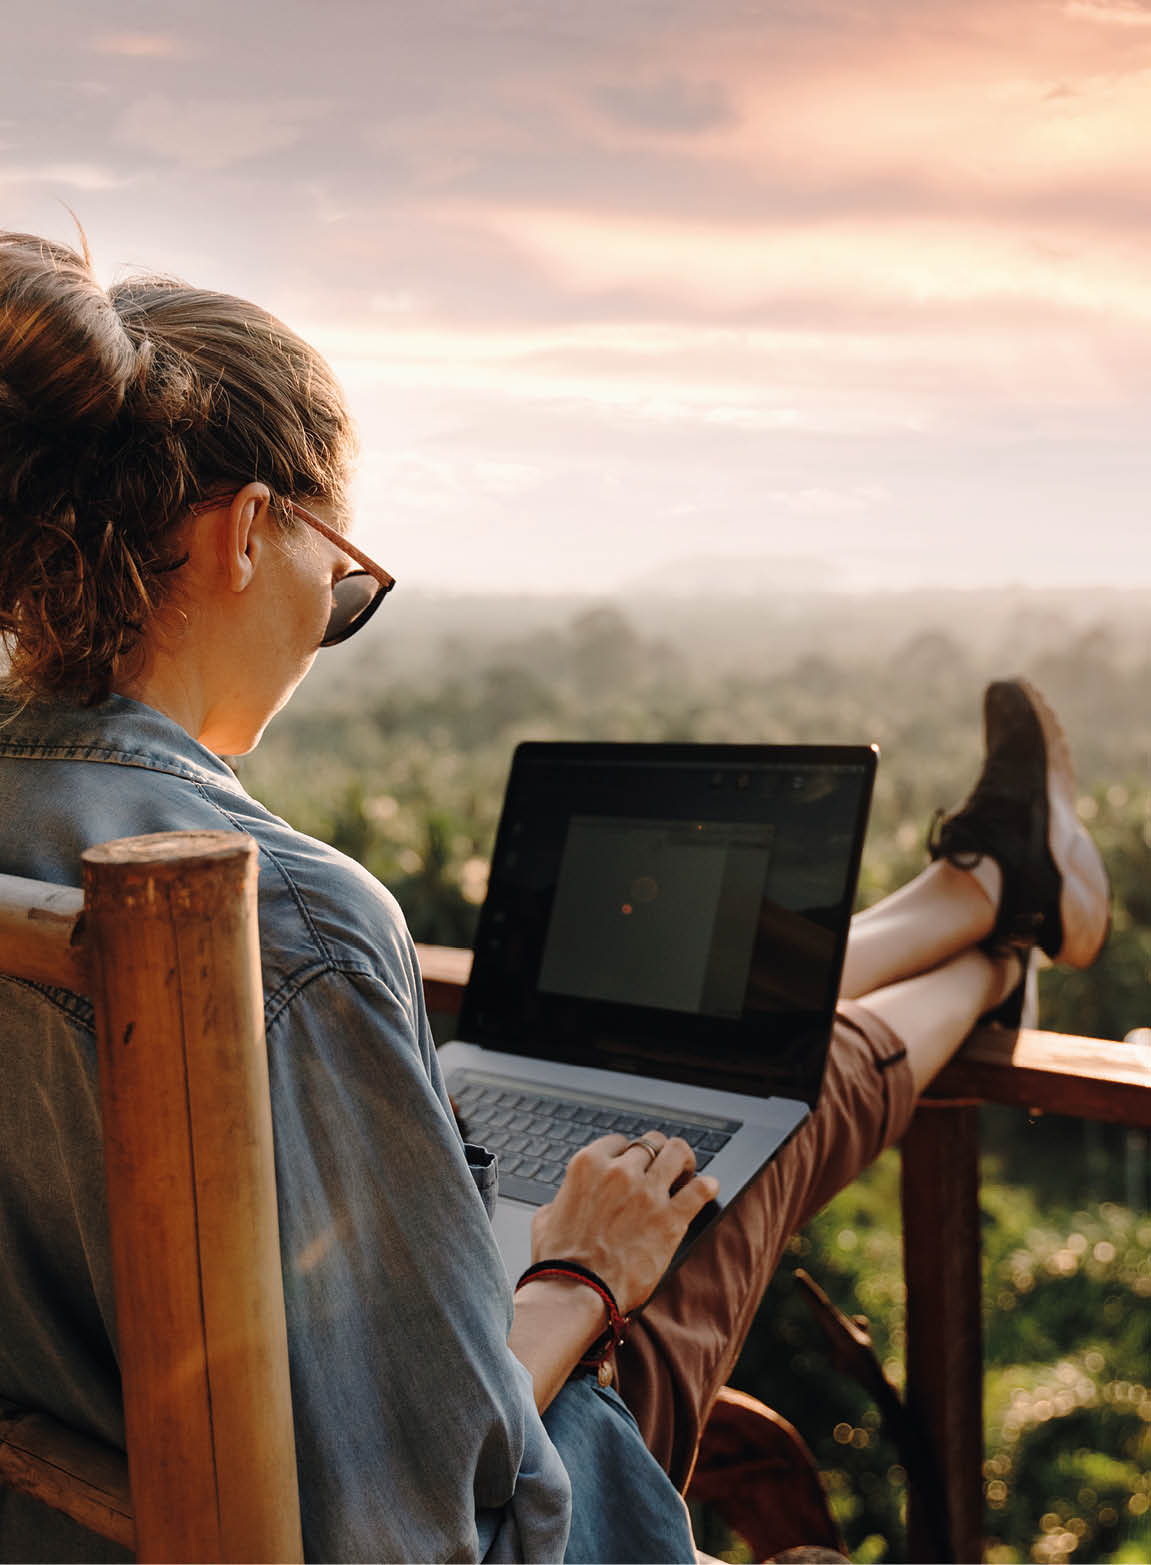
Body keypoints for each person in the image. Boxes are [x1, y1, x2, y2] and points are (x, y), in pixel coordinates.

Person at [0, 230, 1110, 1564]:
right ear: (246, 531)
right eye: (339, 575)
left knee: (681, 1073)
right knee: (724, 1124)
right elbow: (413, 1514)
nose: (326, 617)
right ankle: (998, 927)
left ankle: (980, 901)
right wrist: (581, 1272)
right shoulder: (287, 921)